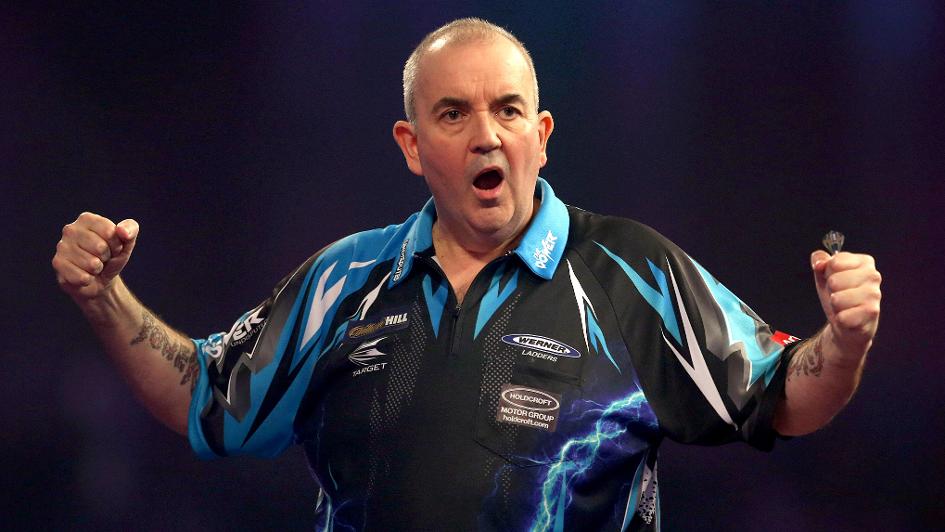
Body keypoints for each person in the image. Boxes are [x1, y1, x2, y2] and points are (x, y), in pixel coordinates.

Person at [52, 18, 881, 532]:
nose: (486, 135)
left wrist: (843, 343)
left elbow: (782, 394)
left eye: (507, 110)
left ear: (540, 135)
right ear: (412, 146)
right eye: (453, 114)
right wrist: (105, 298)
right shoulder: (344, 279)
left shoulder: (630, 270)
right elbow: (205, 397)